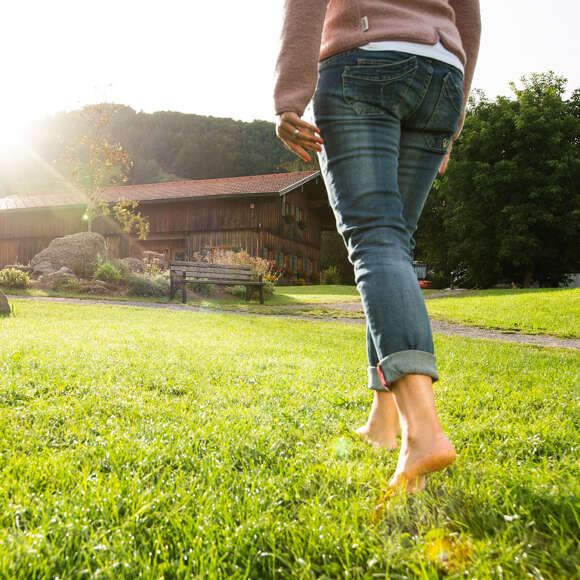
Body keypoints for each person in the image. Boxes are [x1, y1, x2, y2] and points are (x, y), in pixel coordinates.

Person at [274, 0, 481, 492]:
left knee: (376, 242)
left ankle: (423, 433)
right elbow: (468, 16)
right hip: (442, 74)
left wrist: (288, 99)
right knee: (393, 246)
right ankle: (383, 423)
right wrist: (453, 118)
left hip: (362, 64)